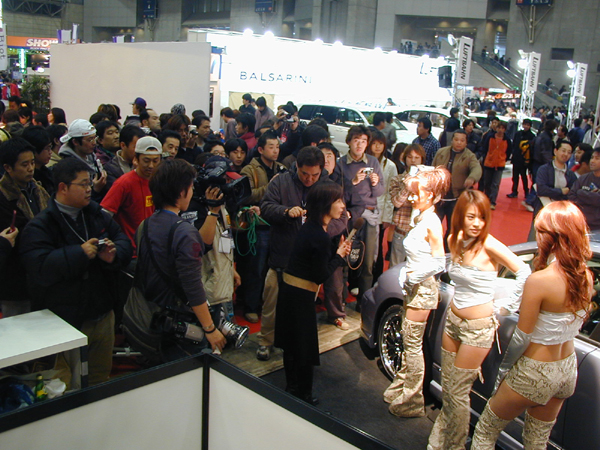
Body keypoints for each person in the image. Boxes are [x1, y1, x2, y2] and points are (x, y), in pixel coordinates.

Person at [471, 201, 593, 449]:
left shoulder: (540, 281)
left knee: (485, 431)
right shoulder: (586, 277)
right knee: (537, 441)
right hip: (567, 370)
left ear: (550, 236)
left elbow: (521, 337)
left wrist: (503, 373)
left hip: (535, 372)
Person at [427, 190, 530, 450]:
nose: (477, 223)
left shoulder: (490, 244)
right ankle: (441, 439)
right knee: (448, 386)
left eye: (482, 217)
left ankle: (455, 445)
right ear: (460, 216)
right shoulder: (454, 239)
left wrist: (506, 307)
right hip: (453, 321)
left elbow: (524, 271)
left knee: (458, 392)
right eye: (471, 217)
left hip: (478, 329)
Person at [20, 158, 132, 385]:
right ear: (63, 187)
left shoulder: (96, 214)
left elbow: (123, 240)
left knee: (100, 378)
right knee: (64, 384)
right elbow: (39, 268)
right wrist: (79, 253)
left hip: (102, 312)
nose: (89, 189)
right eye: (83, 184)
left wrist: (114, 254)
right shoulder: (41, 225)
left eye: (89, 183)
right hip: (64, 319)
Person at [134, 159, 227, 361]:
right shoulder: (184, 231)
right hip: (179, 322)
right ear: (182, 192)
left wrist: (212, 213)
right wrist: (210, 329)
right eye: (191, 187)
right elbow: (192, 287)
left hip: (152, 315)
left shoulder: (145, 224)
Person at [274, 182, 351, 404]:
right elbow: (320, 275)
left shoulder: (311, 228)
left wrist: (335, 253)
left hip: (290, 292)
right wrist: (339, 256)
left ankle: (292, 388)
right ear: (326, 204)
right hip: (300, 297)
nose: (342, 206)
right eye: (338, 201)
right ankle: (304, 395)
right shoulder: (319, 235)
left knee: (291, 345)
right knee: (303, 348)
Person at [383, 166, 450, 417]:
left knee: (412, 345)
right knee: (408, 340)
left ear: (431, 195)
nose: (411, 198)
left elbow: (439, 262)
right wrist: (407, 275)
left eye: (416, 193)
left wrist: (413, 277)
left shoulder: (432, 222)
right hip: (413, 287)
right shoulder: (421, 217)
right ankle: (402, 387)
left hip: (422, 290)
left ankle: (412, 399)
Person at [238, 130, 286, 323]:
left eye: (277, 147)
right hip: (258, 226)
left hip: (278, 224)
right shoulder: (249, 170)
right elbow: (246, 196)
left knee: (275, 269)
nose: (275, 151)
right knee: (256, 268)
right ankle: (250, 306)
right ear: (260, 149)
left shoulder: (282, 168)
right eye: (271, 147)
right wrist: (270, 187)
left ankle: (268, 305)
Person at [0, 138, 50, 317]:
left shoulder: (38, 189)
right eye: (24, 164)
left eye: (32, 162)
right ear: (8, 167)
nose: (30, 168)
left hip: (41, 273)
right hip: (15, 279)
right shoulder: (3, 197)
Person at [336, 125, 384, 310]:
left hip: (370, 214)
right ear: (349, 141)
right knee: (345, 258)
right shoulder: (341, 164)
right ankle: (340, 300)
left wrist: (375, 183)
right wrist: (354, 182)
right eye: (356, 140)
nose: (359, 145)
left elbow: (379, 192)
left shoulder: (372, 161)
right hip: (350, 215)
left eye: (363, 141)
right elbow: (339, 194)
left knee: (368, 260)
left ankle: (363, 301)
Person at [101, 136, 162, 248]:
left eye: (155, 161)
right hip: (130, 249)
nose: (151, 166)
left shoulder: (160, 181)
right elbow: (105, 214)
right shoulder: (124, 183)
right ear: (136, 159)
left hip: (152, 247)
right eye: (146, 161)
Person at [432, 130, 482, 247]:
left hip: (456, 197)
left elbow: (477, 169)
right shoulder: (441, 152)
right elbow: (433, 168)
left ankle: (448, 249)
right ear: (452, 140)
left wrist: (472, 178)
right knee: (434, 225)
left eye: (462, 140)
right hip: (438, 196)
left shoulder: (469, 156)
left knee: (453, 227)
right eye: (456, 139)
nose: (459, 142)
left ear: (466, 142)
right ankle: (433, 247)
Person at [387, 144, 425, 267]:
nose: (413, 160)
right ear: (404, 158)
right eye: (410, 157)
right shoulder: (397, 179)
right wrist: (407, 186)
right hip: (401, 230)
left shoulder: (427, 180)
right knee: (395, 267)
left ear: (422, 159)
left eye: (417, 157)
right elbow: (397, 202)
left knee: (415, 268)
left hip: (419, 231)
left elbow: (431, 202)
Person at [367, 130, 397, 282]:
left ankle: (376, 278)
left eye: (380, 144)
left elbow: (391, 193)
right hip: (363, 209)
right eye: (374, 143)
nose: (377, 147)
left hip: (380, 210)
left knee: (377, 248)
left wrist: (387, 217)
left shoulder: (390, 165)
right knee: (361, 246)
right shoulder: (364, 162)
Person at [480, 121, 511, 209]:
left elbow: (509, 151)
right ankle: (486, 198)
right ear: (496, 128)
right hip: (488, 163)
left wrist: (503, 159)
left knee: (495, 183)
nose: (500, 130)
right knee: (487, 182)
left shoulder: (507, 140)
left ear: (505, 129)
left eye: (502, 128)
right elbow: (485, 148)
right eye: (499, 128)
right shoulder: (490, 137)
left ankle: (492, 201)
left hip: (500, 163)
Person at [104, 125, 146, 190]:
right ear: (123, 145)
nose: (139, 151)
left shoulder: (147, 163)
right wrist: (135, 173)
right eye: (136, 147)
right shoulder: (110, 168)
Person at [568, 147, 600, 230]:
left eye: (597, 158)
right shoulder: (583, 178)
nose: (592, 161)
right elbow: (571, 196)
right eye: (592, 158)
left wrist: (581, 193)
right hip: (580, 223)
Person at [507, 118, 535, 199]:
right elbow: (514, 145)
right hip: (516, 158)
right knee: (515, 176)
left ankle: (526, 191)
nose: (525, 126)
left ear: (530, 126)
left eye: (527, 125)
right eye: (524, 124)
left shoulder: (532, 136)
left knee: (523, 176)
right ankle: (514, 191)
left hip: (524, 160)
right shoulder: (518, 134)